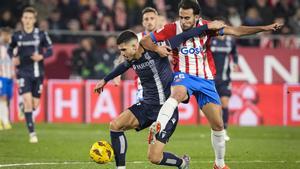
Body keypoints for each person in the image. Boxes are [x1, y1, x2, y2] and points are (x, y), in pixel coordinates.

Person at [140, 0, 283, 169]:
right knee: (177, 93)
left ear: (196, 17)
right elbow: (145, 41)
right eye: (181, 17)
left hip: (206, 80)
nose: (183, 21)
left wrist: (264, 28)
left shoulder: (209, 26)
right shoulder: (171, 28)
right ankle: (158, 126)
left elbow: (236, 31)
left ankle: (219, 164)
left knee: (218, 125)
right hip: (183, 75)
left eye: (187, 18)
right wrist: (157, 49)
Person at [94, 21, 225, 169]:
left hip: (167, 109)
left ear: (134, 46)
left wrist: (206, 27)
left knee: (154, 158)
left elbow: (184, 35)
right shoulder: (130, 59)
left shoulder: (157, 48)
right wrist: (105, 80)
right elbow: (122, 67)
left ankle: (182, 163)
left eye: (123, 49)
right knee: (115, 126)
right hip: (147, 105)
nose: (122, 53)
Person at [8, 7, 53, 143]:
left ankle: (25, 109)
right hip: (22, 72)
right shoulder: (16, 35)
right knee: (27, 101)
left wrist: (41, 56)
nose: (27, 20)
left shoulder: (41, 34)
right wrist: (13, 58)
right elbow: (10, 49)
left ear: (34, 20)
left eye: (30, 18)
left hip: (38, 73)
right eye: (25, 18)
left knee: (35, 104)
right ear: (22, 19)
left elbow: (50, 50)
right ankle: (32, 134)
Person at [210, 34, 239, 141]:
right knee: (214, 106)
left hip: (225, 79)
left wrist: (235, 63)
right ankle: (216, 129)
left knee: (225, 103)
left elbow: (235, 53)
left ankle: (224, 130)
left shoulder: (230, 41)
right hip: (211, 78)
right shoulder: (210, 40)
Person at [0, 27, 14, 130]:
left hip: (10, 75)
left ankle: (4, 120)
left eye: (9, 35)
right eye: (6, 35)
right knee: (2, 97)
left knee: (7, 98)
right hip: (1, 75)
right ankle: (4, 121)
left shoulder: (12, 46)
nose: (7, 37)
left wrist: (14, 72)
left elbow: (13, 61)